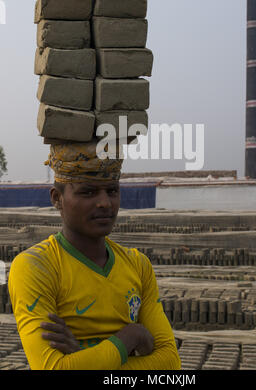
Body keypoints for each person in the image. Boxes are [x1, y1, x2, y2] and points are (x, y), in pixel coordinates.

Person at [8, 141, 181, 370]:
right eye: (88, 192)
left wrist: (86, 359)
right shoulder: (36, 267)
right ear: (56, 198)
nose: (104, 203)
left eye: (112, 191)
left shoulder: (138, 265)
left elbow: (170, 363)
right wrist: (132, 336)